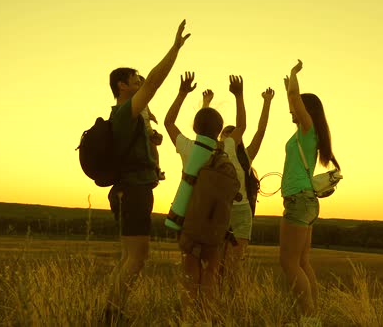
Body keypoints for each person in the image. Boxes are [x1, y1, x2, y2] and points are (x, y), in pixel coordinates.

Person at [102, 20, 190, 324]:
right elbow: (154, 82)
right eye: (135, 79)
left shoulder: (135, 117)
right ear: (122, 86)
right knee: (138, 257)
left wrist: (151, 147)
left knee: (132, 256)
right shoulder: (125, 111)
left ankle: (113, 311)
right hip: (133, 190)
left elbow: (148, 155)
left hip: (136, 188)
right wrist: (175, 49)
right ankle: (111, 315)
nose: (140, 81)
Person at [164, 72, 245, 325]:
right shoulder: (228, 148)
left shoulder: (188, 148)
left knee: (190, 273)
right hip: (216, 227)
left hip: (188, 222)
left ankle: (189, 319)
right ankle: (207, 319)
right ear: (220, 131)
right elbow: (241, 127)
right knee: (210, 273)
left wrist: (182, 93)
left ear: (195, 128)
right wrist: (239, 96)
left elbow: (168, 122)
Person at [279, 59, 340, 324]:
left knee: (289, 263)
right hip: (307, 202)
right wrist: (288, 90)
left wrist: (294, 75)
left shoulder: (307, 129)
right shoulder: (307, 132)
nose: (291, 112)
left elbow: (295, 98)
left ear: (306, 110)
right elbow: (292, 98)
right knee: (302, 262)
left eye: (295, 109)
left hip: (298, 201)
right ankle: (313, 316)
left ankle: (308, 318)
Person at [203, 86, 275, 292]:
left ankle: (233, 305)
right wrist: (207, 104)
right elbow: (205, 130)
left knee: (234, 266)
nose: (230, 137)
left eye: (233, 134)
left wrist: (267, 102)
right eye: (226, 133)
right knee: (216, 265)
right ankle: (215, 304)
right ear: (220, 137)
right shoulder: (215, 152)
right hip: (219, 212)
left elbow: (261, 131)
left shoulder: (247, 155)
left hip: (242, 213)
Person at [138, 74, 166, 181]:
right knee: (150, 149)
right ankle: (155, 169)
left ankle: (157, 168)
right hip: (142, 131)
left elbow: (148, 110)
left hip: (148, 129)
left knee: (154, 150)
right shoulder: (134, 101)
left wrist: (151, 116)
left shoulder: (145, 101)